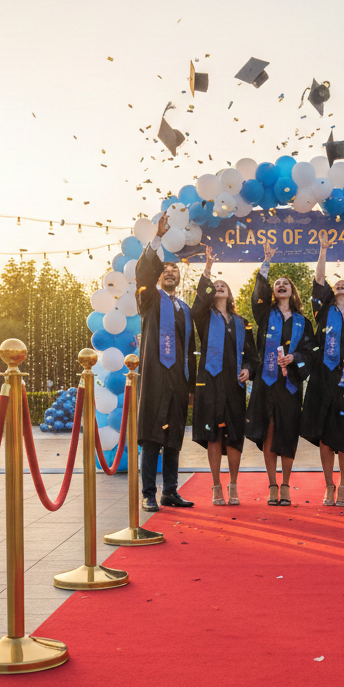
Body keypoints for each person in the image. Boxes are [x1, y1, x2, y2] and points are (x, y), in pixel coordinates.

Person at [245, 240, 314, 507]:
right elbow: (257, 296)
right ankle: (272, 484)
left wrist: (294, 358)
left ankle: (286, 484)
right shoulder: (265, 315)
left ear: (292, 291)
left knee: (287, 431)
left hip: (290, 384)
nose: (281, 285)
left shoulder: (303, 322)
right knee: (269, 430)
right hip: (266, 381)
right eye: (277, 283)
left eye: (286, 283)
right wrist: (266, 263)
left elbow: (309, 352)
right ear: (273, 292)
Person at [135, 214, 197, 512]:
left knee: (173, 437)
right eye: (165, 269)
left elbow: (191, 349)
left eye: (175, 269)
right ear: (158, 276)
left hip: (178, 380)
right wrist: (157, 238)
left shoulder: (184, 308)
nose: (170, 272)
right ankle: (148, 492)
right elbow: (143, 275)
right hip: (156, 377)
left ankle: (170, 491)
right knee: (152, 437)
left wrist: (192, 386)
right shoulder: (149, 300)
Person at [192, 245, 256, 506]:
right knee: (213, 436)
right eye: (214, 285)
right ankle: (216, 485)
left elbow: (253, 356)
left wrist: (248, 370)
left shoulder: (243, 323)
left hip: (234, 386)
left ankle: (233, 484)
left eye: (223, 285)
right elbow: (198, 302)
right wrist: (208, 268)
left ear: (230, 293)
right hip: (210, 383)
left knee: (234, 436)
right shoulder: (204, 318)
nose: (219, 287)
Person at [301, 236, 344, 506]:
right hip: (323, 378)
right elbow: (318, 280)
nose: (339, 284)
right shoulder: (324, 311)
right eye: (337, 283)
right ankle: (329, 485)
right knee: (325, 433)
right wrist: (323, 251)